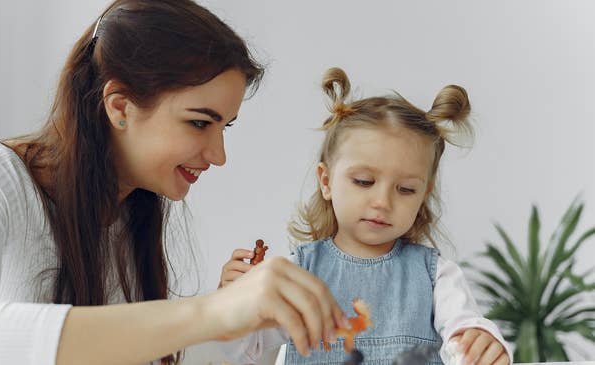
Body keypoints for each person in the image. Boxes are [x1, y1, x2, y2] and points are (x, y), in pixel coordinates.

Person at [0, 2, 350, 364]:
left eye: (223, 127)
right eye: (198, 123)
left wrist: (245, 328)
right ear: (120, 106)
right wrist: (211, 314)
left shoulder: (134, 212)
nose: (218, 155)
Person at [217, 67, 513, 365]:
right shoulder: (300, 274)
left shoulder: (436, 277)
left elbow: (464, 330)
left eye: (406, 189)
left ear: (424, 193)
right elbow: (246, 351)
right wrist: (233, 304)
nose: (383, 202)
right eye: (364, 182)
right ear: (327, 181)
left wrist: (480, 340)